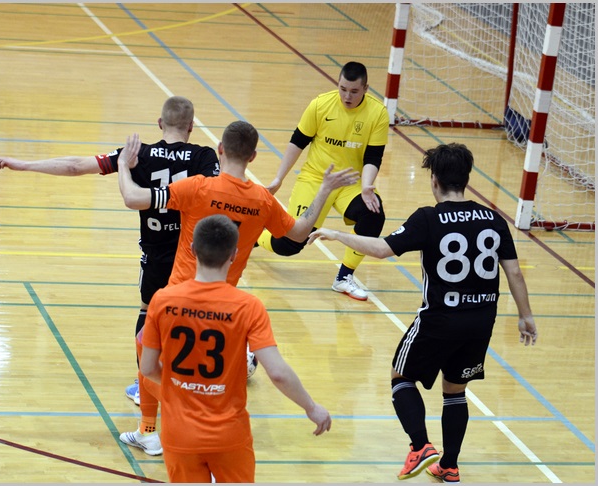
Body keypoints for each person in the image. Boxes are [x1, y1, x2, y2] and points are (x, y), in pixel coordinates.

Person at [0, 95, 220, 455]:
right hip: (193, 259)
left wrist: (24, 164)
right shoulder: (205, 157)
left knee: (149, 319)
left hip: (157, 259)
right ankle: (192, 396)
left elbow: (75, 166)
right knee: (190, 322)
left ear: (159, 123)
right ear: (192, 127)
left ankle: (150, 397)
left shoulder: (139, 154)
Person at [307, 143, 538, 482]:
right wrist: (525, 316)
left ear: (434, 180)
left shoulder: (429, 218)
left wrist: (337, 234)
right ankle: (450, 465)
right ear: (467, 179)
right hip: (480, 321)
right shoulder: (494, 219)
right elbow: (514, 272)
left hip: (440, 319)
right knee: (455, 390)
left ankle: (420, 446)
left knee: (401, 377)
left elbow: (382, 249)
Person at [140, 214, 332, 483]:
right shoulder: (248, 306)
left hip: (180, 434)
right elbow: (277, 373)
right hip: (229, 434)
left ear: (192, 249)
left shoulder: (162, 300)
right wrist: (311, 407)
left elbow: (148, 367)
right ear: (234, 254)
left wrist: (180, 387)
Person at [116, 120, 359, 288]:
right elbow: (299, 234)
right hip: (223, 305)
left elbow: (133, 198)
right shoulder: (263, 200)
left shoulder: (197, 188)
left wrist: (123, 165)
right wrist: (324, 190)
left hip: (180, 296)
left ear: (220, 148)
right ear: (252, 156)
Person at [256, 61, 390, 301]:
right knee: (291, 244)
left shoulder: (378, 113)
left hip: (350, 182)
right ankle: (255, 236)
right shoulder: (320, 105)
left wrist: (367, 186)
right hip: (316, 179)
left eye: (354, 91)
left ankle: (344, 277)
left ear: (366, 89)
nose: (347, 96)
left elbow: (373, 156)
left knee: (373, 213)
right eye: (343, 89)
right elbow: (298, 141)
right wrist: (278, 178)